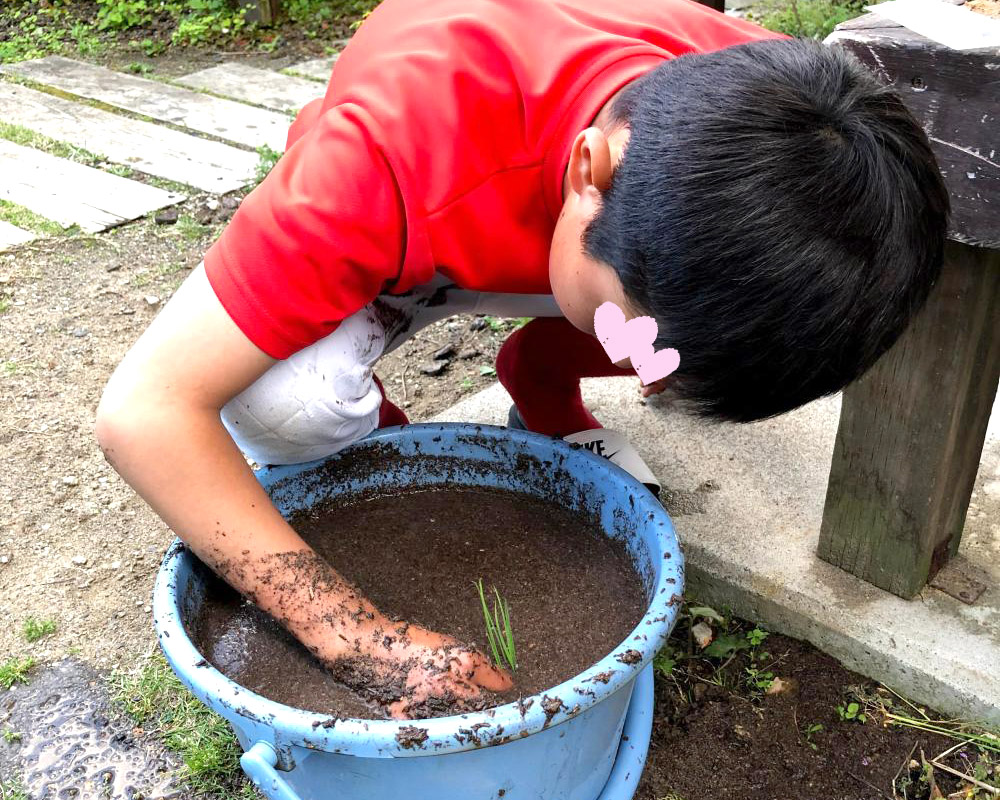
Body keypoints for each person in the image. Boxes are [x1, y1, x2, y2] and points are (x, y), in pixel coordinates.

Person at [95, 0, 949, 718]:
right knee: (286, 401)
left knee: (663, 337)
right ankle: (381, 450)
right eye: (647, 357)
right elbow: (146, 410)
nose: (651, 384)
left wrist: (659, 347)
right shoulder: (379, 161)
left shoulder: (793, 131)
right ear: (591, 170)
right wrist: (361, 642)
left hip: (582, 244)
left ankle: (539, 374)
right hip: (432, 225)